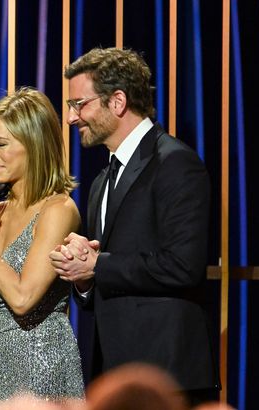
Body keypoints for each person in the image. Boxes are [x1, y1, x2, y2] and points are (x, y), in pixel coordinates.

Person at [48, 47, 219, 404]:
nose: (70, 118)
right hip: (112, 374)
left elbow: (183, 266)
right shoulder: (100, 182)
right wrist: (82, 277)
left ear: (118, 101)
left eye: (79, 104)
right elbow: (103, 277)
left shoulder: (175, 164)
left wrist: (98, 264)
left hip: (165, 377)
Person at [0, 87, 84, 409]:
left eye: (1, 144)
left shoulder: (58, 209)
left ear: (33, 145)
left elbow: (23, 299)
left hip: (43, 371)